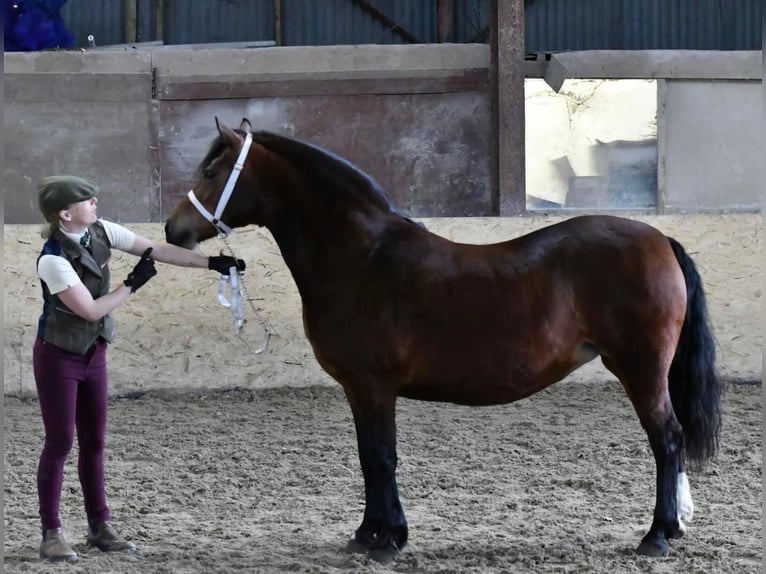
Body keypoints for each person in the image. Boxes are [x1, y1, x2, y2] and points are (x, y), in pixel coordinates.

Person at [33, 175, 245, 562]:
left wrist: (210, 262)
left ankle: (100, 526)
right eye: (85, 200)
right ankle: (51, 531)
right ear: (65, 214)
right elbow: (91, 310)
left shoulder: (101, 229)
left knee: (94, 442)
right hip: (58, 356)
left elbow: (156, 250)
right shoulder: (53, 259)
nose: (95, 201)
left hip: (93, 352)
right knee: (61, 442)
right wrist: (132, 283)